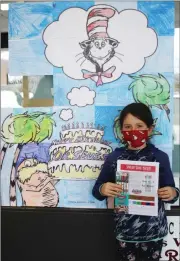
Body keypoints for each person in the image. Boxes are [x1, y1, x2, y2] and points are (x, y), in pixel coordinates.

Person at [92, 103, 179, 261]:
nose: (133, 131)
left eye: (139, 126)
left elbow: (173, 193)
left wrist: (172, 193)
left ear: (150, 129)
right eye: (128, 127)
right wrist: (103, 189)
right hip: (125, 232)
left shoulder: (159, 157)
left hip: (154, 232)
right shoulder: (114, 158)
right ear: (122, 130)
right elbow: (96, 191)